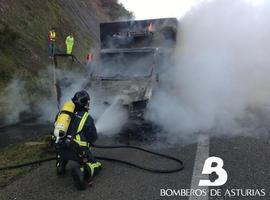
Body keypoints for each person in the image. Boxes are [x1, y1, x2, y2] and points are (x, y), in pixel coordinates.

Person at [52, 90, 102, 190]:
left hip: (60, 148)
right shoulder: (87, 117)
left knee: (63, 147)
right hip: (78, 151)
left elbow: (56, 129)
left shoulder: (62, 114)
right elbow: (92, 138)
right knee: (97, 165)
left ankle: (60, 166)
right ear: (85, 103)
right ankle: (82, 171)